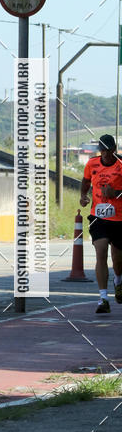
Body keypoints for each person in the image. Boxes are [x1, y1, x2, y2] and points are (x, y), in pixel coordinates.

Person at [80, 133, 122, 313]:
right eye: (102, 150)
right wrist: (83, 195)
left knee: (118, 260)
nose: (105, 153)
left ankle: (118, 280)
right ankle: (103, 298)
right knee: (101, 251)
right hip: (98, 217)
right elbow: (86, 181)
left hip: (119, 218)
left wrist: (116, 194)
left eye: (108, 150)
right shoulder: (92, 164)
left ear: (114, 150)